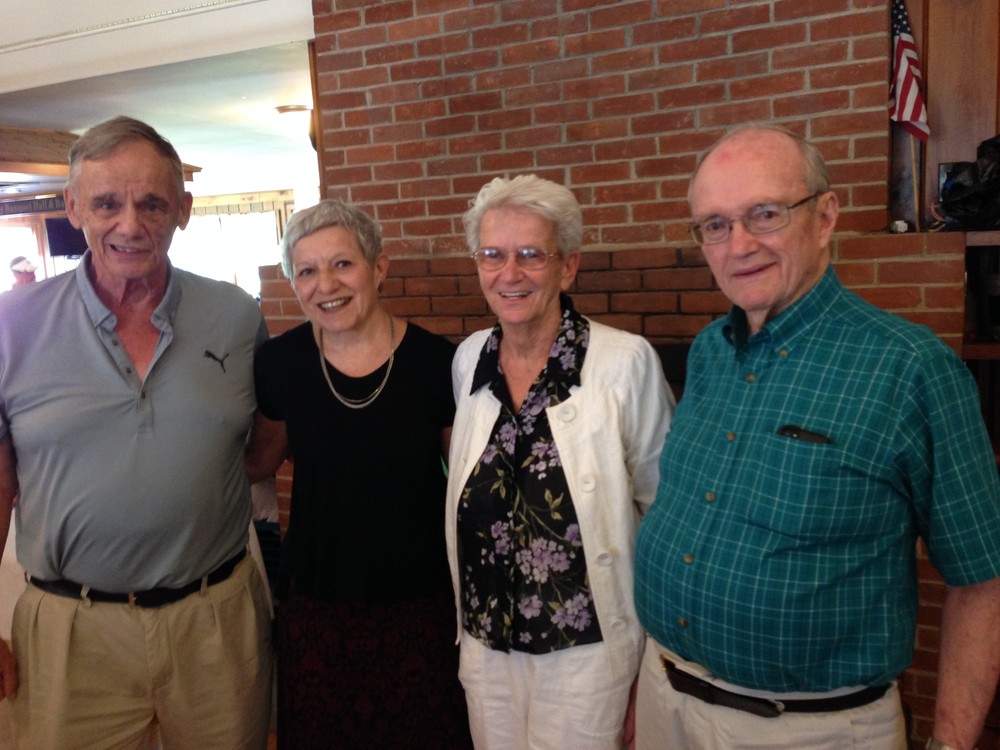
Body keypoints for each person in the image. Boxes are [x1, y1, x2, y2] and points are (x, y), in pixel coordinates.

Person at [633, 124, 1000, 750]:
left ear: (824, 216)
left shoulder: (910, 369)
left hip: (808, 730)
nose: (739, 244)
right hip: (664, 697)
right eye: (715, 225)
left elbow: (982, 577)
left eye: (765, 214)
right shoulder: (709, 351)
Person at [0, 116, 272, 749]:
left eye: (152, 204)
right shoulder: (12, 324)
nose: (130, 224)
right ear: (72, 207)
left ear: (183, 210)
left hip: (215, 625)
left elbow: (262, 448)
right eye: (106, 204)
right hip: (71, 632)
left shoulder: (236, 316)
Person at [447, 174, 675, 749]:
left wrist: (651, 664)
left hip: (587, 656)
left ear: (568, 267)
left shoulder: (624, 363)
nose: (510, 273)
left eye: (531, 254)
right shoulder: (470, 360)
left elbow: (664, 516)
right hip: (486, 646)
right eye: (492, 255)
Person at [245, 199, 472, 749]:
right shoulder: (280, 364)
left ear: (379, 267)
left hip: (419, 602)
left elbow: (466, 483)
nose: (326, 285)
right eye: (307, 271)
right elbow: (258, 462)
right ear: (294, 284)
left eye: (343, 264)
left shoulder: (436, 363)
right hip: (316, 602)